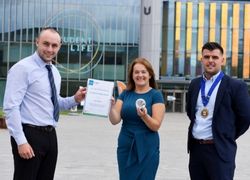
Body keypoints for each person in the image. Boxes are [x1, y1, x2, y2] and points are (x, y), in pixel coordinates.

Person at [3, 27, 86, 180]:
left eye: (54, 45)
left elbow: (55, 103)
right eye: (46, 44)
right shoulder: (22, 68)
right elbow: (11, 107)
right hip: (29, 135)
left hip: (50, 136)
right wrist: (21, 141)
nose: (50, 49)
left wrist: (75, 98)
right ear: (37, 43)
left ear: (59, 47)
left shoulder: (54, 71)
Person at [186, 42, 250, 180]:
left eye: (214, 57)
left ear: (222, 60)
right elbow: (190, 112)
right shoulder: (194, 84)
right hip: (196, 150)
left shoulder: (236, 86)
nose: (210, 60)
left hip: (220, 151)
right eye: (206, 57)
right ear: (201, 59)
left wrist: (226, 135)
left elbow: (245, 118)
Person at [109, 57, 165, 180]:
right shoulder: (125, 94)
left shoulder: (156, 95)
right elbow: (115, 120)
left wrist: (144, 116)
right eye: (136, 72)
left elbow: (156, 125)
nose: (140, 75)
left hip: (147, 146)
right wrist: (111, 107)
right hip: (126, 144)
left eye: (143, 72)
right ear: (132, 75)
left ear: (150, 75)